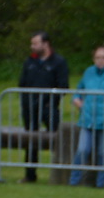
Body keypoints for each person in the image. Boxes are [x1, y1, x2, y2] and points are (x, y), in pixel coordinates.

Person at [69, 45, 104, 188]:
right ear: (93, 59)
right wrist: (77, 100)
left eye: (103, 57)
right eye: (97, 57)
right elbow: (79, 89)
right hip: (87, 118)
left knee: (102, 153)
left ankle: (100, 183)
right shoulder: (88, 72)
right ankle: (73, 181)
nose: (100, 60)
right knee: (83, 149)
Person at [18, 31, 69, 182]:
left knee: (57, 140)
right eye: (32, 43)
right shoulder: (29, 62)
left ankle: (61, 175)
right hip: (30, 108)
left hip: (49, 108)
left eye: (35, 43)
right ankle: (30, 175)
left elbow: (63, 86)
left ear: (45, 44)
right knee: (31, 141)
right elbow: (22, 83)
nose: (32, 46)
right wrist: (27, 101)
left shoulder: (58, 62)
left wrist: (49, 102)